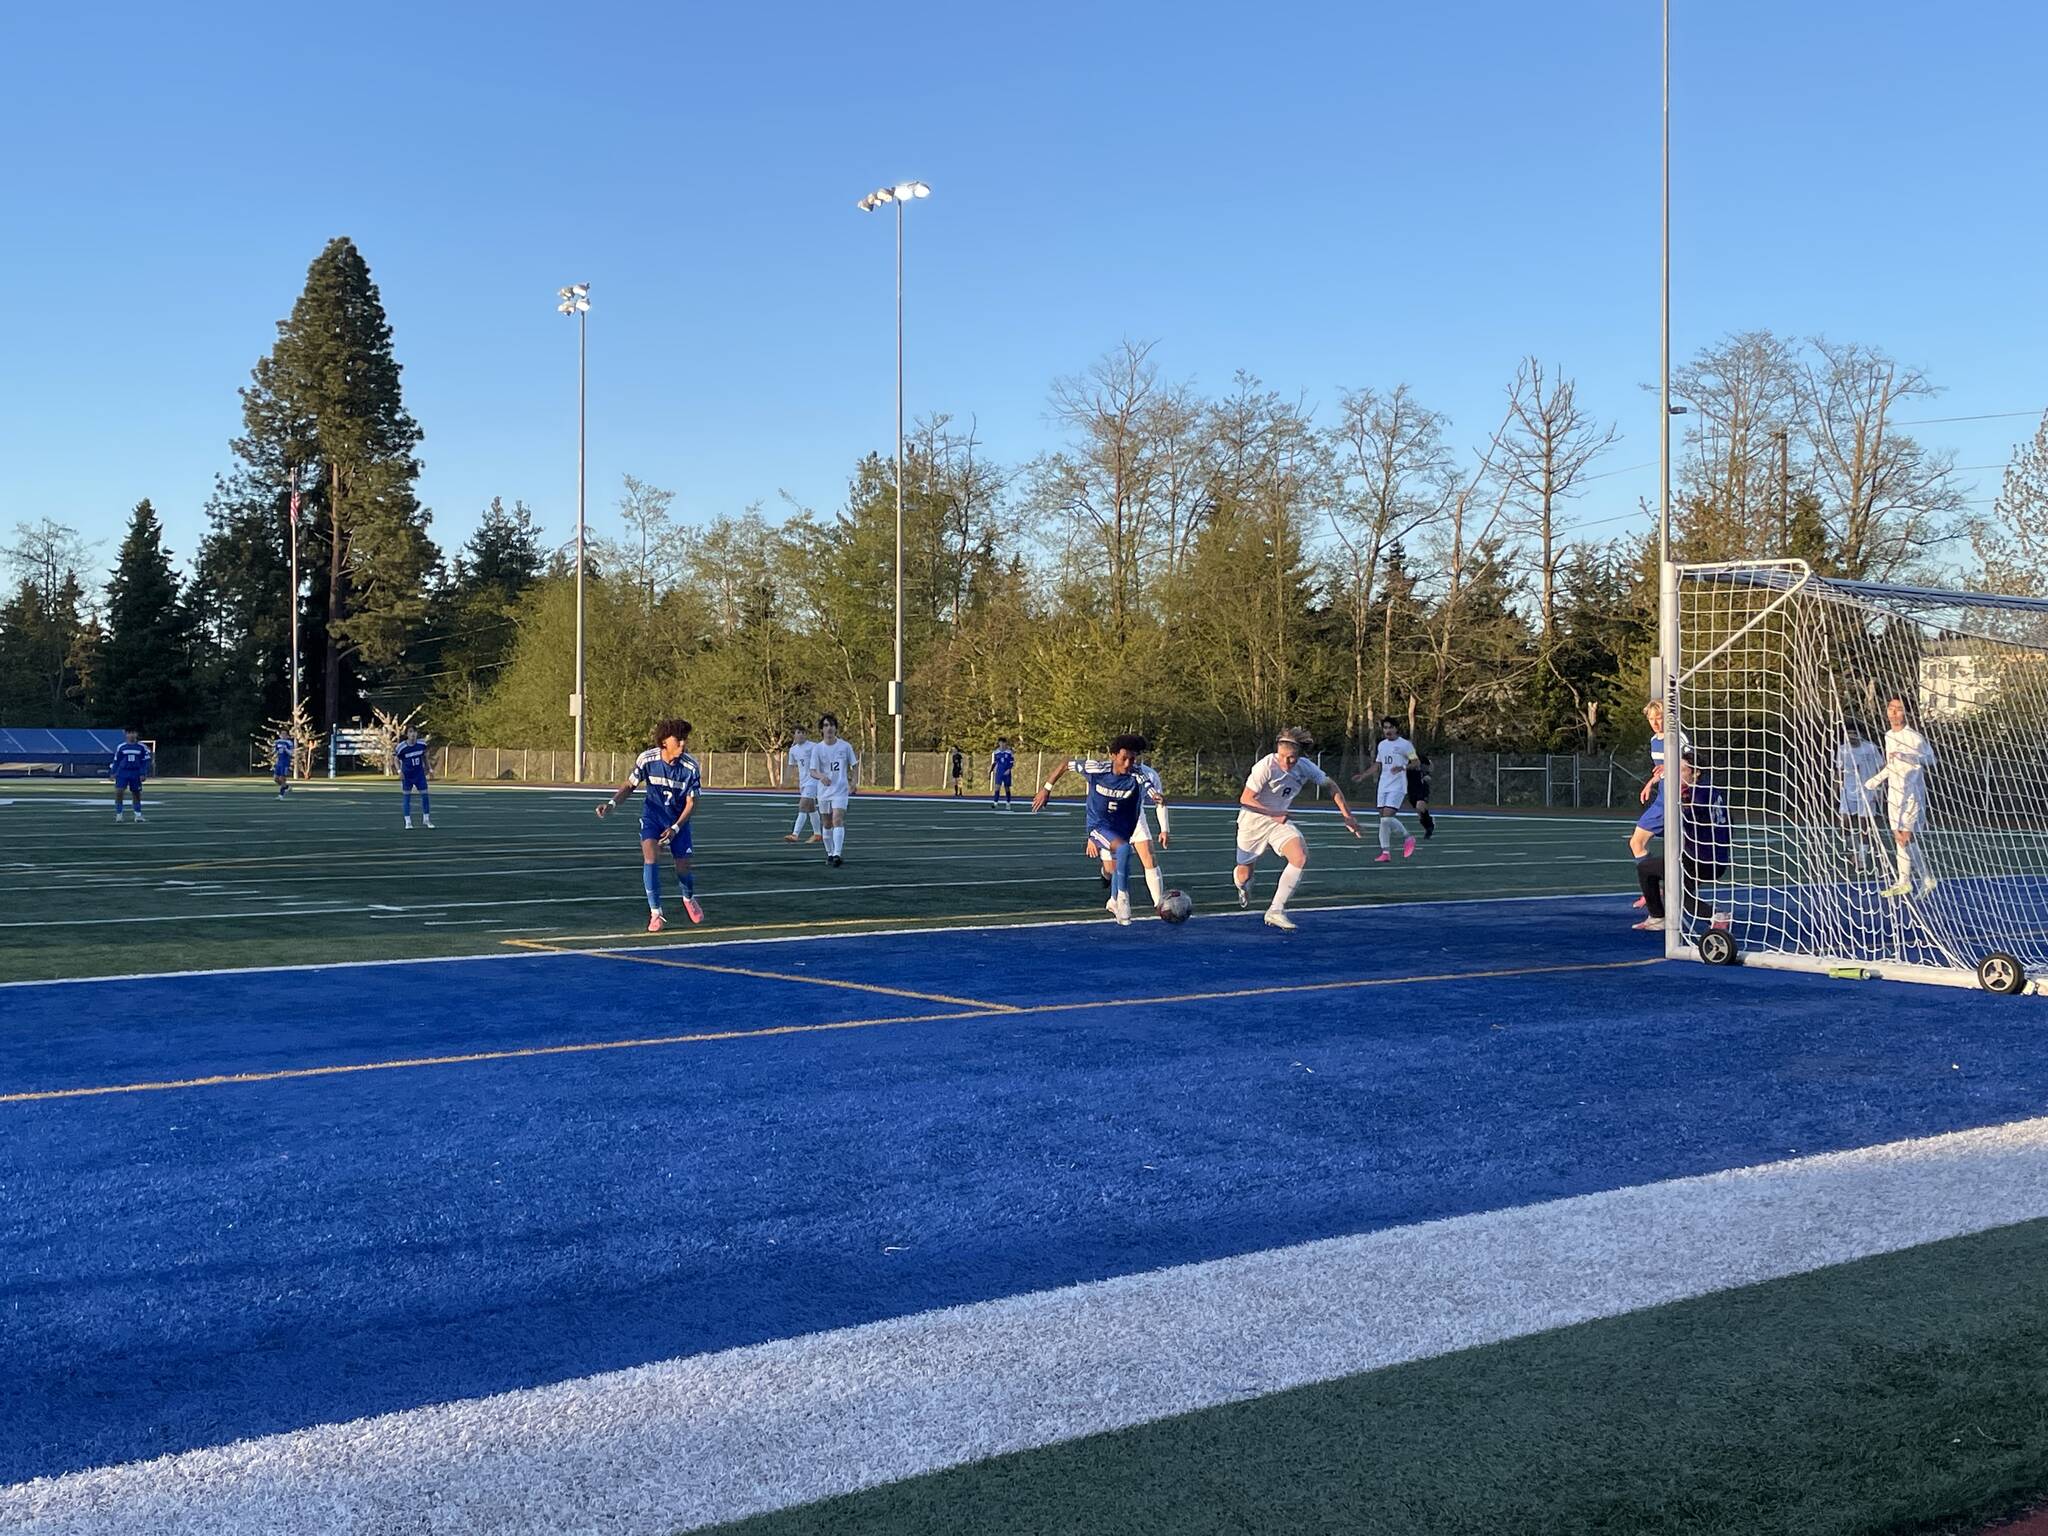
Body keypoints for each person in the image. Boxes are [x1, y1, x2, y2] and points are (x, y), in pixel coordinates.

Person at [1234, 727, 1363, 931]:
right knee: (1244, 874)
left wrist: (1347, 816)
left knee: (1300, 856)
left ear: (1299, 755)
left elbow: (1331, 786)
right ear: (1278, 752)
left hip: (1279, 823)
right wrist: (1273, 813)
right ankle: (1242, 885)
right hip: (1252, 823)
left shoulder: (1305, 767)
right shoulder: (1265, 766)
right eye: (1283, 757)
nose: (1287, 762)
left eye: (1292, 758)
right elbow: (1245, 799)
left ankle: (1275, 910)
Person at [596, 718, 703, 932]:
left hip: (678, 820)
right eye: (678, 740)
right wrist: (611, 803)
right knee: (651, 857)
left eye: (685, 740)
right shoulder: (647, 759)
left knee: (683, 868)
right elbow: (630, 785)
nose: (683, 744)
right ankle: (656, 913)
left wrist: (675, 828)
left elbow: (693, 803)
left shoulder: (690, 767)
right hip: (653, 817)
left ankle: (688, 897)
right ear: (664, 741)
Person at [1035, 734, 1151, 926]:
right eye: (1124, 758)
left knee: (1118, 861)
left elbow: (1150, 787)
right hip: (1098, 826)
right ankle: (1123, 898)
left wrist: (1158, 797)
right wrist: (1046, 789)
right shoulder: (1096, 768)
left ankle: (1113, 901)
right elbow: (1066, 764)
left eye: (1132, 759)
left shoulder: (1137, 774)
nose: (1128, 763)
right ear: (1113, 755)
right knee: (1123, 850)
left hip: (1122, 826)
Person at [1627, 753, 1731, 934]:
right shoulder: (1712, 790)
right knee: (1674, 888)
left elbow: (1689, 814)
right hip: (1717, 859)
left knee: (1647, 870)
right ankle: (1714, 917)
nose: (1676, 774)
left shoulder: (1693, 795)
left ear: (1696, 773)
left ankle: (1660, 917)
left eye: (1681, 770)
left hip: (1699, 859)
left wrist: (1682, 802)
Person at [1866, 695, 1937, 899]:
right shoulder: (1888, 736)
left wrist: (1910, 756)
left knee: (1906, 836)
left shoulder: (1914, 737)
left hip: (1913, 792)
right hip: (1895, 792)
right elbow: (1892, 765)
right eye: (1890, 708)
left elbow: (1931, 759)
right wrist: (1875, 780)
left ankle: (1925, 877)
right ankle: (1905, 881)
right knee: (1899, 838)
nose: (1894, 712)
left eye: (1898, 708)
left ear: (1906, 712)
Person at [1084, 751, 1173, 911]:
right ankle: (1106, 875)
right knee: (1112, 868)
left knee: (1149, 858)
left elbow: (1159, 802)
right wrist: (1092, 836)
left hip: (1136, 820)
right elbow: (1094, 804)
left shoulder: (1149, 775)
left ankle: (1159, 904)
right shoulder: (1105, 772)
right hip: (1110, 822)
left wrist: (1164, 829)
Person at [1358, 717, 1419, 863]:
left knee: (1386, 818)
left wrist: (1403, 767)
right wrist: (1364, 775)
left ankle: (1408, 837)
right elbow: (1377, 764)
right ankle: (1385, 852)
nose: (1388, 731)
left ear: (1396, 729)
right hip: (1383, 785)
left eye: (1390, 727)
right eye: (1385, 728)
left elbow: (1416, 762)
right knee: (1384, 821)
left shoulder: (1405, 745)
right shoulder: (1382, 745)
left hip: (1398, 786)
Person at [812, 713, 859, 866]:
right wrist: (821, 776)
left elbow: (855, 765)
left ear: (836, 728)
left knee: (837, 818)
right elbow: (812, 771)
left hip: (840, 790)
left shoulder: (845, 746)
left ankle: (838, 854)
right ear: (821, 730)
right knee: (826, 823)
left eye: (831, 725)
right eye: (826, 725)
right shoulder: (817, 749)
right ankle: (830, 853)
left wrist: (853, 782)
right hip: (824, 791)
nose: (829, 728)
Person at [1837, 722, 1884, 875]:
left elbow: (1881, 767)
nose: (1851, 737)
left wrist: (1879, 788)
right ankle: (1852, 851)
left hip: (1867, 790)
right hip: (1847, 790)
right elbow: (1839, 769)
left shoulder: (1870, 748)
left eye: (1853, 733)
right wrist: (1836, 787)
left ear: (1860, 735)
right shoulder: (1842, 749)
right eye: (1848, 734)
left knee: (1864, 825)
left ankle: (1862, 859)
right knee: (1844, 822)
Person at [782, 726, 822, 845]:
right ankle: (817, 834)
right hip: (803, 782)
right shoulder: (793, 750)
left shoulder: (814, 746)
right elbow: (791, 765)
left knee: (803, 805)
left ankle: (795, 834)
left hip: (813, 781)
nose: (800, 735)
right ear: (794, 735)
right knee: (811, 808)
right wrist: (785, 780)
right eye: (798, 733)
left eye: (802, 733)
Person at [110, 728, 151, 823]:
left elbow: (144, 762)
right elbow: (116, 761)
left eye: (133, 732)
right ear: (126, 734)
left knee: (136, 793)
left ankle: (138, 815)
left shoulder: (141, 747)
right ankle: (119, 815)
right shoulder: (121, 747)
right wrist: (113, 772)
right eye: (129, 733)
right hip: (123, 772)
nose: (131, 735)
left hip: (135, 772)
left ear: (136, 733)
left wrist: (142, 773)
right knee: (119, 792)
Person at [395, 726, 432, 829]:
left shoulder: (421, 744)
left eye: (414, 732)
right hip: (407, 775)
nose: (413, 734)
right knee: (407, 797)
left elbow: (425, 757)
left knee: (425, 796)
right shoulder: (401, 747)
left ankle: (426, 819)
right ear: (407, 734)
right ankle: (408, 821)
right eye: (410, 732)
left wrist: (429, 769)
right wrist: (399, 771)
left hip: (419, 774)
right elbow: (395, 759)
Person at [1407, 752, 1437, 839]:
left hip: (1421, 786)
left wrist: (1428, 774)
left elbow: (1430, 764)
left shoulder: (1417, 755)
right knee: (1419, 812)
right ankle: (1429, 825)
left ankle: (1429, 827)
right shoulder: (1400, 757)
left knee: (1420, 806)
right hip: (1410, 788)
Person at [990, 738, 1016, 809]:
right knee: (997, 787)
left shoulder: (1009, 752)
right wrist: (991, 770)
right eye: (1000, 743)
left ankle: (1008, 803)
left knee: (1007, 788)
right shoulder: (996, 752)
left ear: (1005, 743)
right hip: (999, 772)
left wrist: (1009, 769)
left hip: (1006, 772)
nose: (1001, 745)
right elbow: (995, 762)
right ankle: (995, 803)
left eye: (1003, 743)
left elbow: (1012, 762)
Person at [272, 732, 294, 798]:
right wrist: (273, 753)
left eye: (285, 735)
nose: (283, 736)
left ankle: (281, 794)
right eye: (282, 735)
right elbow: (275, 750)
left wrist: (286, 749)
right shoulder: (278, 742)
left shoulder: (289, 742)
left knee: (282, 778)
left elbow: (291, 753)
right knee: (275, 779)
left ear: (287, 736)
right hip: (279, 762)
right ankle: (287, 787)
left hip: (285, 762)